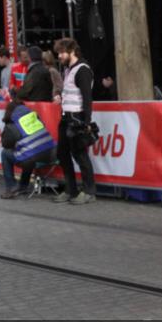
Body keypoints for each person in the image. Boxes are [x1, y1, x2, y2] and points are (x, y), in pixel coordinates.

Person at [54, 38, 96, 205]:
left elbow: (87, 98)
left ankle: (89, 191)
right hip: (66, 117)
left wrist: (86, 122)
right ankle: (71, 189)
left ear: (72, 51)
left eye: (62, 52)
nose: (59, 56)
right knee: (62, 154)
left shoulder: (82, 70)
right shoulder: (68, 70)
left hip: (77, 118)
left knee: (80, 155)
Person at [0, 101, 57, 199]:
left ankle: (11, 187)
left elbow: (6, 144)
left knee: (6, 154)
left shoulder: (12, 124)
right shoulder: (34, 117)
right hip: (52, 154)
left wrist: (6, 130)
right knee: (27, 152)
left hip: (33, 158)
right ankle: (23, 186)